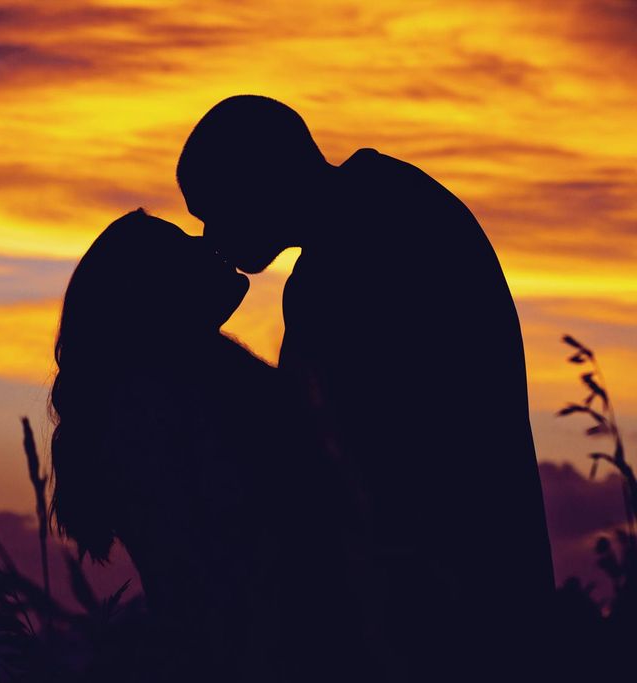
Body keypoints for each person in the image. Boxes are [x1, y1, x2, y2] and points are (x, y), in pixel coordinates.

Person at [176, 94, 555, 681]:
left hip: (438, 611)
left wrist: (186, 345)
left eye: (213, 208)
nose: (209, 234)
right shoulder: (393, 205)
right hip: (477, 588)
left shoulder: (355, 253)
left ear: (258, 178)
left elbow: (308, 447)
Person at [49, 209, 360, 682]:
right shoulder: (164, 403)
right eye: (182, 243)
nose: (206, 242)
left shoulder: (184, 384)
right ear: (153, 293)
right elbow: (239, 569)